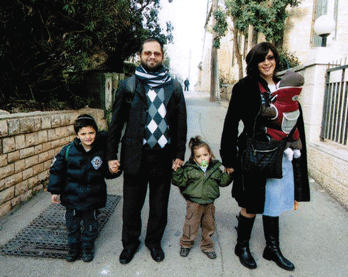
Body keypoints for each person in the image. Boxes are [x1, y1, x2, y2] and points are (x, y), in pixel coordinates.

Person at [220, 42, 310, 271]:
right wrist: (229, 159)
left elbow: (294, 119)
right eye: (262, 59)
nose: (267, 62)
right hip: (254, 154)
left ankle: (272, 248)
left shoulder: (285, 85)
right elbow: (231, 123)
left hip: (281, 154)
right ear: (254, 63)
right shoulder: (245, 87)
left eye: (271, 57)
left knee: (275, 199)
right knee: (251, 202)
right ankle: (242, 246)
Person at [107, 37, 187, 264]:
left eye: (156, 53)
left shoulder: (174, 86)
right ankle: (130, 244)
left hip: (163, 157)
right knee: (132, 205)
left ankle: (154, 242)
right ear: (140, 56)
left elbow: (181, 124)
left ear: (163, 56)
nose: (152, 57)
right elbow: (115, 124)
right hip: (135, 155)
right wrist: (111, 155)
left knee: (159, 205)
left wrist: (180, 155)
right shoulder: (128, 86)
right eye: (147, 53)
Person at [48, 114, 119, 263]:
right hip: (72, 197)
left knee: (90, 226)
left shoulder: (101, 151)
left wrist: (114, 170)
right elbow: (57, 171)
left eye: (91, 133)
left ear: (96, 133)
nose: (88, 137)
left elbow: (107, 173)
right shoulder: (67, 151)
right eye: (83, 134)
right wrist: (55, 190)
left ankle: (87, 247)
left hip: (92, 198)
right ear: (77, 135)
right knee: (72, 226)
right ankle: (73, 248)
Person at [172, 136, 233, 260]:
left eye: (205, 155)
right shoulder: (189, 169)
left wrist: (229, 174)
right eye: (199, 157)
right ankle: (186, 243)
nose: (202, 158)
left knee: (209, 225)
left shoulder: (215, 169)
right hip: (194, 203)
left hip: (209, 203)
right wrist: (177, 171)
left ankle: (207, 246)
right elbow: (179, 182)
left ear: (210, 154)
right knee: (191, 224)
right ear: (194, 159)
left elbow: (222, 181)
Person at [260, 70, 305, 161]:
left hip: (278, 133)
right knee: (295, 135)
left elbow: (264, 112)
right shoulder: (295, 104)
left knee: (276, 136)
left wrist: (265, 103)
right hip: (291, 130)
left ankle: (287, 150)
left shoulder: (277, 106)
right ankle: (297, 150)